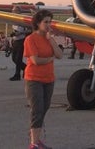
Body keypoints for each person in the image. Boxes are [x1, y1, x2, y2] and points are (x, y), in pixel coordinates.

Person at [23, 10, 64, 149]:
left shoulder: (48, 39)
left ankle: (36, 137)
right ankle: (33, 143)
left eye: (49, 22)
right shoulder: (30, 39)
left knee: (45, 108)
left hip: (48, 79)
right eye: (45, 22)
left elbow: (60, 55)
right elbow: (35, 60)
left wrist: (51, 39)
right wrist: (49, 59)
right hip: (34, 79)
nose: (48, 24)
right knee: (37, 109)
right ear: (38, 23)